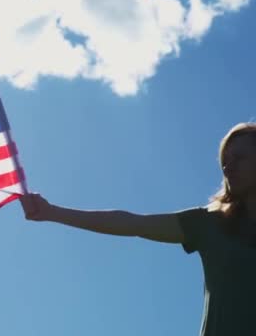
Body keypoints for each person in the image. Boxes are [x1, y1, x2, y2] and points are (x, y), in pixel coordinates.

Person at [19, 122, 256, 336]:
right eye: (226, 160)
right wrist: (52, 212)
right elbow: (134, 224)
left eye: (239, 158)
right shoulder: (209, 223)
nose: (227, 167)